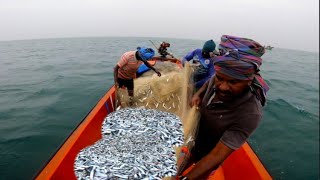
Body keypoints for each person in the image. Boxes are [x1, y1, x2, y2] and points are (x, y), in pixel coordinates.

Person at [178, 35, 269, 179]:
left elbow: (217, 154)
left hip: (209, 152)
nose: (224, 87)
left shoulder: (250, 113)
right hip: (192, 140)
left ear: (249, 79)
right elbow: (210, 81)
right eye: (220, 78)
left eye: (234, 82)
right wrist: (198, 95)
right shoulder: (219, 76)